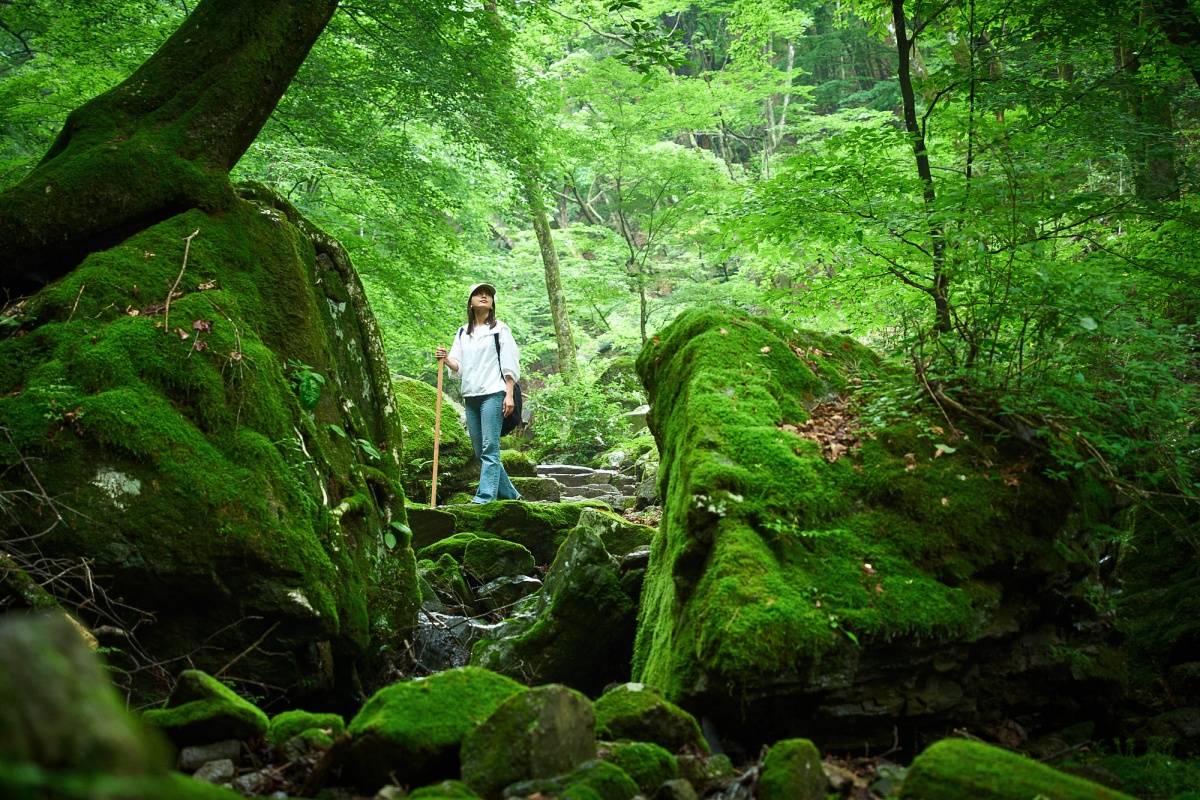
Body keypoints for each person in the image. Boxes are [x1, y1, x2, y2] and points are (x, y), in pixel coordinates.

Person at [435, 283, 522, 504]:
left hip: (494, 393)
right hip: (471, 396)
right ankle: (512, 496)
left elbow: (509, 363)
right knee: (479, 450)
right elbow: (459, 366)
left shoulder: (500, 329)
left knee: (490, 447)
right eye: (478, 294)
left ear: (492, 304)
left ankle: (484, 498)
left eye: (488, 295)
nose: (484, 296)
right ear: (471, 302)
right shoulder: (463, 332)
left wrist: (509, 395)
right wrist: (445, 359)